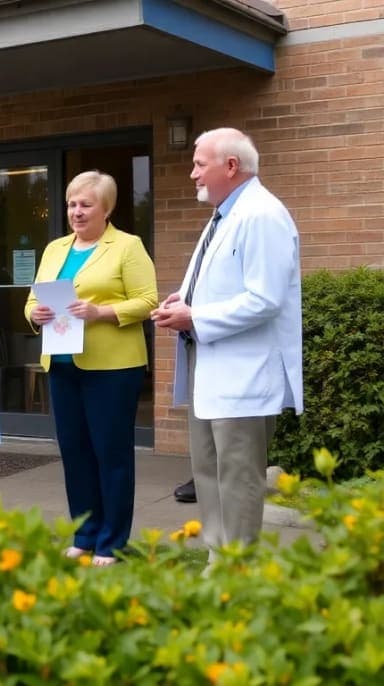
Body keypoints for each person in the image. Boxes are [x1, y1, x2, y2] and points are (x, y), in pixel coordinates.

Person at [151, 127, 303, 561]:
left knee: (237, 476)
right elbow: (227, 284)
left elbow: (265, 299)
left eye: (200, 163)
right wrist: (185, 300)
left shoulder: (261, 215)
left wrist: (195, 316)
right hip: (212, 366)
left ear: (231, 166)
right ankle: (220, 563)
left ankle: (237, 571)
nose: (192, 172)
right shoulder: (224, 214)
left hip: (243, 373)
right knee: (208, 471)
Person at [24, 171, 158, 566]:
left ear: (107, 208)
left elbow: (148, 300)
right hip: (62, 364)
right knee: (75, 452)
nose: (76, 212)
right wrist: (37, 313)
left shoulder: (127, 246)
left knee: (110, 454)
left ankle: (111, 540)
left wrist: (101, 312)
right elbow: (31, 302)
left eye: (85, 204)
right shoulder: (55, 249)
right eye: (71, 204)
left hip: (112, 368)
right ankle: (84, 533)